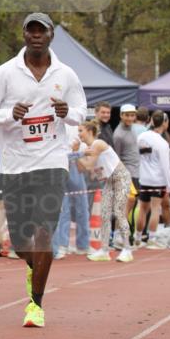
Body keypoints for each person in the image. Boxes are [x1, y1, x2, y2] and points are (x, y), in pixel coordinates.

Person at [0, 12, 87, 329]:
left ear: (51, 35)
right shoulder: (5, 73)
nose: (37, 35)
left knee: (44, 233)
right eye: (32, 31)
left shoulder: (66, 74)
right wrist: (9, 115)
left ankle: (35, 304)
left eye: (42, 31)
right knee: (20, 242)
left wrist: (67, 113)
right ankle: (34, 266)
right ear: (24, 35)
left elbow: (81, 111)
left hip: (52, 163)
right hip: (15, 165)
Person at [76, 119, 133, 262]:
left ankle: (127, 249)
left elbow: (88, 166)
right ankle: (104, 250)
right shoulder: (86, 148)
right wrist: (77, 154)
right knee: (105, 214)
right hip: (108, 181)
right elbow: (81, 169)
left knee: (119, 212)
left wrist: (77, 153)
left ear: (90, 131)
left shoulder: (97, 143)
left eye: (81, 131)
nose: (79, 134)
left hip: (121, 177)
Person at [51, 124, 90, 259]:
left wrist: (78, 154)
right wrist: (76, 153)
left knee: (82, 209)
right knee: (63, 211)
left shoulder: (76, 124)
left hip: (74, 167)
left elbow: (84, 156)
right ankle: (62, 245)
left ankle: (83, 245)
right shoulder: (54, 125)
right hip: (59, 168)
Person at [136, 111, 170, 249]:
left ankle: (138, 238)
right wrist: (169, 185)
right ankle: (151, 239)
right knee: (155, 208)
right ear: (165, 123)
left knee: (142, 209)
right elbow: (165, 167)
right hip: (157, 180)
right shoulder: (162, 143)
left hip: (144, 178)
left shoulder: (141, 137)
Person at [113, 103, 141, 235]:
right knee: (126, 204)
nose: (130, 118)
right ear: (121, 116)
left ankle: (123, 234)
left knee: (131, 205)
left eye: (132, 115)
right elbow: (116, 158)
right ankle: (118, 234)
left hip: (135, 172)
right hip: (126, 174)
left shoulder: (133, 129)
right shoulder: (118, 134)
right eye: (127, 115)